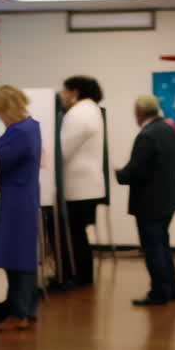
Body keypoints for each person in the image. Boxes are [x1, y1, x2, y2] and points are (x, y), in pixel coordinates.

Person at [0, 85, 42, 330]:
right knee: (22, 256)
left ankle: (20, 314)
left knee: (16, 257)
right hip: (23, 196)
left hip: (14, 199)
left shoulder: (19, 132)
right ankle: (24, 310)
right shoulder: (32, 126)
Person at [116, 94, 175, 306]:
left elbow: (136, 170)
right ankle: (171, 289)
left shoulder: (147, 135)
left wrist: (120, 174)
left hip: (148, 202)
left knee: (153, 248)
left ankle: (159, 293)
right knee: (162, 245)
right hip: (168, 199)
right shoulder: (169, 130)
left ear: (138, 113)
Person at [58, 75, 106, 288]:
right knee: (78, 234)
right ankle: (79, 275)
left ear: (74, 92)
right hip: (87, 185)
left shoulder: (79, 113)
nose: (61, 95)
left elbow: (63, 149)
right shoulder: (91, 109)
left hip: (78, 186)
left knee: (74, 234)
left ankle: (75, 276)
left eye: (64, 90)